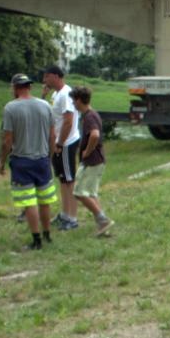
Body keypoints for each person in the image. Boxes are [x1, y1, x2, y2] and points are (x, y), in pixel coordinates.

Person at [0, 73, 58, 249]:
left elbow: (7, 140)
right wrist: (50, 156)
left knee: (29, 201)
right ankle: (47, 234)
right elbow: (52, 134)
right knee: (44, 199)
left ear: (15, 88)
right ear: (30, 87)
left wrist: (2, 161)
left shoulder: (10, 108)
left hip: (22, 161)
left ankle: (36, 240)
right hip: (42, 160)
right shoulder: (45, 105)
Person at [70, 86, 115, 237]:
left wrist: (86, 152)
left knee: (79, 192)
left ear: (78, 100)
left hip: (92, 161)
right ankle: (103, 226)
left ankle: (103, 220)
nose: (73, 104)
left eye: (73, 101)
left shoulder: (89, 117)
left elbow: (94, 135)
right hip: (98, 160)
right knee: (91, 193)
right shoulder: (91, 114)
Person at [41, 65, 80, 229]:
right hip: (59, 143)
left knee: (69, 181)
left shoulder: (65, 94)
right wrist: (43, 95)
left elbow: (68, 121)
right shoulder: (56, 94)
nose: (44, 80)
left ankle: (72, 218)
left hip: (66, 143)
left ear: (56, 76)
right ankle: (64, 214)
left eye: (47, 76)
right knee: (63, 180)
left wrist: (59, 144)